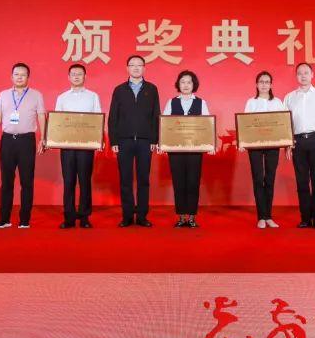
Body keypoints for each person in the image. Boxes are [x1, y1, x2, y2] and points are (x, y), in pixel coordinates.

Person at [0, 62, 46, 229]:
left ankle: (24, 220)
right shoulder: (3, 95)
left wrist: (43, 138)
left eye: (23, 74)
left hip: (27, 141)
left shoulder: (36, 95)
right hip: (7, 141)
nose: (19, 77)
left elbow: (41, 116)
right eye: (16, 74)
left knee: (27, 182)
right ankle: (4, 219)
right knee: (6, 181)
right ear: (11, 76)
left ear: (28, 77)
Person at [108, 55, 161, 227]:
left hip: (145, 141)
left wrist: (154, 139)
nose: (136, 68)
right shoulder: (119, 90)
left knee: (144, 179)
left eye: (139, 65)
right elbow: (113, 116)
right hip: (124, 140)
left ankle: (142, 216)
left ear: (144, 68)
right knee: (125, 179)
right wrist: (114, 141)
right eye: (132, 65)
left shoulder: (152, 89)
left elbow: (156, 115)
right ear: (127, 68)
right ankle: (127, 216)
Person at [283, 62, 315, 229]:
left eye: (306, 72)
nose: (303, 76)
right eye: (300, 73)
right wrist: (287, 144)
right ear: (296, 76)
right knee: (302, 182)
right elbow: (285, 123)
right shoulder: (289, 97)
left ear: (312, 75)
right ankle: (305, 218)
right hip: (297, 142)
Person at [54, 63, 103, 229]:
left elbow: (98, 120)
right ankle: (68, 217)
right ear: (68, 77)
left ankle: (84, 217)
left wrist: (98, 139)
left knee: (84, 181)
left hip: (86, 146)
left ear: (85, 77)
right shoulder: (62, 97)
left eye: (79, 74)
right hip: (67, 146)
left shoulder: (93, 96)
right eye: (73, 74)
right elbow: (57, 122)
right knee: (68, 181)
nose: (76, 76)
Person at [163, 70, 213, 228]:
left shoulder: (201, 102)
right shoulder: (171, 102)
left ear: (194, 85)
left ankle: (191, 217)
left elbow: (207, 125)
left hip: (195, 149)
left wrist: (210, 144)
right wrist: (163, 143)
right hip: (175, 150)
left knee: (193, 182)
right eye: (182, 82)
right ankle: (181, 217)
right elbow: (165, 124)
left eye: (189, 82)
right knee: (178, 182)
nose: (185, 85)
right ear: (178, 84)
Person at [241, 70, 286, 229]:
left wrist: (286, 142)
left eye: (267, 82)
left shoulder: (278, 102)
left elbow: (283, 123)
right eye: (261, 82)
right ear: (256, 84)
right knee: (258, 178)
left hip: (273, 145)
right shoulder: (251, 102)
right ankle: (261, 217)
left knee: (270, 179)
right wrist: (243, 142)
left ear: (271, 85)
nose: (264, 85)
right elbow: (245, 124)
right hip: (255, 145)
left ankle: (268, 217)